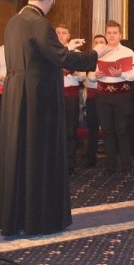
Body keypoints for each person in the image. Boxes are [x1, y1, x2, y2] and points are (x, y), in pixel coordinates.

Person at [0, 0, 106, 236]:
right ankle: (37, 218)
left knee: (17, 154)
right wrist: (95, 55)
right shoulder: (40, 24)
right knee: (37, 154)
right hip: (37, 99)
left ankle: (14, 217)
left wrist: (65, 47)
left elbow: (41, 55)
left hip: (14, 95)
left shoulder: (13, 22)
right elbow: (62, 58)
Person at [96, 21, 134, 173]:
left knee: (122, 130)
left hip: (121, 96)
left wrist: (122, 74)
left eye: (115, 33)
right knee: (107, 131)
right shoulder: (98, 52)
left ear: (120, 35)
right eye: (109, 33)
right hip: (103, 96)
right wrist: (95, 75)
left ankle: (126, 165)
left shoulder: (128, 52)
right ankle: (110, 166)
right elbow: (89, 76)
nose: (112, 36)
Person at [56, 25, 84, 175]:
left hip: (71, 95)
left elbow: (82, 76)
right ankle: (54, 163)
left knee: (70, 131)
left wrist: (71, 71)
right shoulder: (50, 52)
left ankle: (69, 165)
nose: (61, 36)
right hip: (53, 95)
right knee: (53, 130)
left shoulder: (76, 53)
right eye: (58, 33)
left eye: (64, 33)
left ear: (69, 35)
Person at [82, 34, 107, 167]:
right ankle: (91, 158)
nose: (98, 44)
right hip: (92, 98)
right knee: (92, 129)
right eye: (96, 42)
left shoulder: (110, 57)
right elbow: (86, 76)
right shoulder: (88, 59)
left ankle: (110, 158)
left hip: (106, 97)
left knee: (108, 129)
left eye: (101, 42)